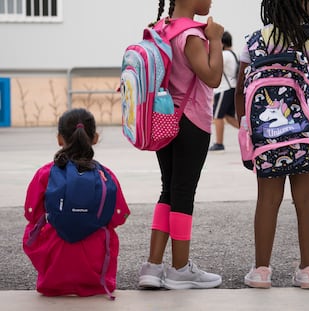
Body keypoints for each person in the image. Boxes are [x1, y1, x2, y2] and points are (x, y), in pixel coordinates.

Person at [235, 0, 309, 289]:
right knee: (306, 200)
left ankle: (261, 271)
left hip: (267, 139)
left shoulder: (255, 41)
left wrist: (248, 132)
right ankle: (308, 270)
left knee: (267, 201)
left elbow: (241, 90)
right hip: (308, 137)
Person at [138, 0, 224, 289]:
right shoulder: (192, 35)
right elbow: (212, 78)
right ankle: (179, 269)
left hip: (163, 118)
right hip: (192, 121)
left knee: (168, 189)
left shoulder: (160, 29)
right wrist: (215, 39)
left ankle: (152, 266)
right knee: (184, 192)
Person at [22, 108, 130, 297]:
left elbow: (32, 214)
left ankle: (54, 277)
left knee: (34, 227)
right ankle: (95, 279)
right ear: (95, 138)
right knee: (106, 230)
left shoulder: (45, 174)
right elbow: (117, 218)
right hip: (95, 259)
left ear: (59, 139)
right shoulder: (106, 176)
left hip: (54, 258)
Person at [209, 31, 239, 152]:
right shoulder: (235, 54)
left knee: (217, 116)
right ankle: (249, 134)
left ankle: (219, 143)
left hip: (224, 89)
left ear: (222, 43)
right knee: (228, 117)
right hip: (233, 88)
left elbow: (213, 67)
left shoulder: (224, 55)